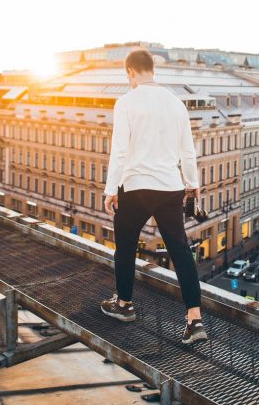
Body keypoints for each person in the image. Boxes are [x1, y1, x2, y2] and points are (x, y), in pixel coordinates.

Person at [101, 50, 207, 345]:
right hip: (169, 186)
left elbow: (120, 150)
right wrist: (192, 184)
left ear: (130, 72)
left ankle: (123, 305)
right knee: (180, 250)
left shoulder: (126, 102)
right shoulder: (176, 104)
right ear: (152, 70)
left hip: (134, 186)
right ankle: (194, 320)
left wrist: (111, 190)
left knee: (125, 247)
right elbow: (188, 150)